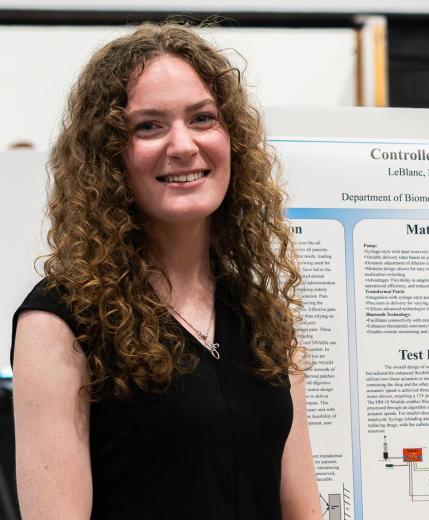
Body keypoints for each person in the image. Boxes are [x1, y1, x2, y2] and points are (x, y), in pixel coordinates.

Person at [11, 23, 321, 519]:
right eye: (148, 126)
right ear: (109, 157)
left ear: (232, 138)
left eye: (202, 118)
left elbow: (302, 509)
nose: (182, 145)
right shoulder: (61, 320)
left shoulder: (261, 315)